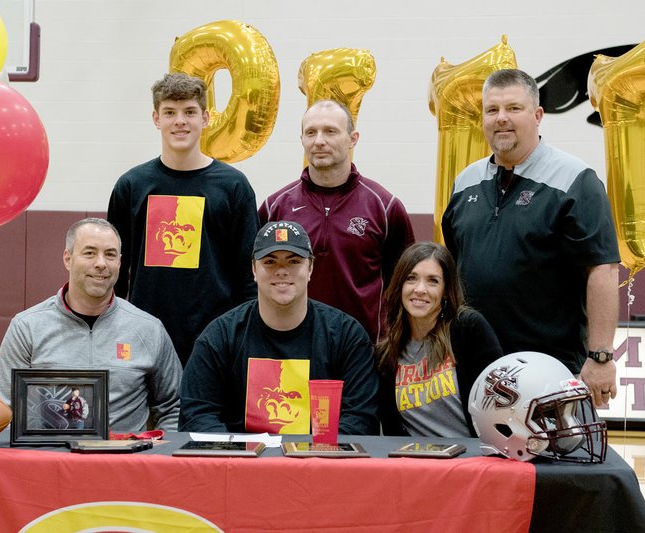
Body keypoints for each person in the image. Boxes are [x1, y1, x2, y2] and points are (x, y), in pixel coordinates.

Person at [441, 68, 620, 407]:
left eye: (514, 108)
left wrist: (600, 357)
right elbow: (451, 270)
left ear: (537, 115)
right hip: (473, 367)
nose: (501, 119)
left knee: (549, 461)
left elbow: (603, 271)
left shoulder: (574, 180)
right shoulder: (465, 183)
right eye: (492, 110)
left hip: (549, 368)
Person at [107, 73, 259, 365]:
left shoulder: (233, 186)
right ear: (156, 119)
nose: (180, 121)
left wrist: (242, 337)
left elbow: (247, 275)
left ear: (205, 118)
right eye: (170, 113)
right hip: (144, 338)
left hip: (216, 339)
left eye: (189, 112)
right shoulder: (131, 185)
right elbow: (115, 271)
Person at [178, 220, 379, 435]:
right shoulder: (220, 336)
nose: (282, 271)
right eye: (270, 261)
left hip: (317, 464)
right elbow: (197, 415)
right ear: (254, 269)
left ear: (310, 268)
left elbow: (360, 420)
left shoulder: (347, 336)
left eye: (293, 261)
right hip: (242, 465)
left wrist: (307, 457)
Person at [0, 218, 182, 433]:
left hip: (124, 462)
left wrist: (157, 455)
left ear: (120, 261)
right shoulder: (26, 327)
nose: (101, 263)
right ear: (68, 258)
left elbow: (173, 406)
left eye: (110, 254)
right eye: (90, 253)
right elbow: (3, 409)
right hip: (48, 459)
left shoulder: (149, 329)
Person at [259, 99, 414, 342]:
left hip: (364, 351)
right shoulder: (274, 207)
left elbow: (404, 285)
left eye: (330, 131)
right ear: (302, 140)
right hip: (292, 349)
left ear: (353, 138)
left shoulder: (385, 207)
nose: (319, 140)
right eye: (311, 132)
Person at [377, 242, 503, 437]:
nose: (420, 289)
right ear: (399, 285)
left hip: (474, 459)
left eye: (433, 281)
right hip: (418, 462)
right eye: (411, 278)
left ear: (445, 290)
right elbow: (392, 429)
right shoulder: (385, 355)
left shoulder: (468, 329)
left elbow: (500, 404)